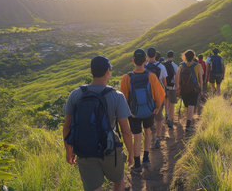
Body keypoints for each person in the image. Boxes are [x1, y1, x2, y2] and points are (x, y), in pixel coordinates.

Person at [63, 56, 134, 191]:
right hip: (110, 147)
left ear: (91, 72)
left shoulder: (75, 94)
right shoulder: (117, 96)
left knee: (94, 188)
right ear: (108, 71)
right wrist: (131, 152)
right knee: (118, 182)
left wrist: (69, 150)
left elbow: (67, 127)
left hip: (84, 148)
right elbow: (126, 131)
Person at [120, 49, 165, 173]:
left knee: (137, 136)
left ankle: (137, 164)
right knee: (148, 132)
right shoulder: (151, 76)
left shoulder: (126, 78)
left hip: (133, 113)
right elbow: (160, 94)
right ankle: (146, 158)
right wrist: (157, 107)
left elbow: (123, 98)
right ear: (145, 61)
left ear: (133, 61)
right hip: (149, 111)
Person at [144, 47, 167, 149]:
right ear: (155, 55)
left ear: (147, 55)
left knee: (149, 116)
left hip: (148, 94)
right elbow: (164, 82)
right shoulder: (161, 67)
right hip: (158, 95)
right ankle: (157, 137)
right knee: (159, 117)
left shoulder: (144, 66)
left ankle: (149, 136)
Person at [175, 50, 203, 132]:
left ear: (185, 57)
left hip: (184, 89)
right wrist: (201, 90)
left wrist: (178, 88)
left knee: (187, 106)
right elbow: (200, 80)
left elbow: (177, 78)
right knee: (191, 106)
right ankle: (188, 124)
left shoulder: (181, 66)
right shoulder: (198, 66)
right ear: (194, 57)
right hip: (194, 89)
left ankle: (188, 119)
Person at [163, 50, 179, 129]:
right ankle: (170, 119)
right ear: (173, 57)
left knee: (166, 100)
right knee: (172, 103)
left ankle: (166, 113)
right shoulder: (175, 66)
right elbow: (177, 77)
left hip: (165, 86)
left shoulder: (163, 65)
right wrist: (177, 86)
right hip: (172, 86)